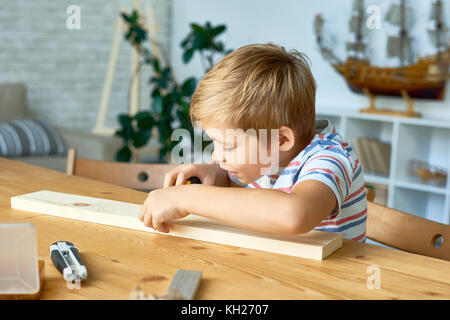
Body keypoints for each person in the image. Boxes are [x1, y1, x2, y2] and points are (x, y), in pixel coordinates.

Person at [138, 43, 367, 242]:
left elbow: (294, 214)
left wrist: (187, 198)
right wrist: (214, 175)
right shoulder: (267, 157)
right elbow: (240, 189)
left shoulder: (331, 159)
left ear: (282, 139)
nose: (217, 156)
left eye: (228, 145)